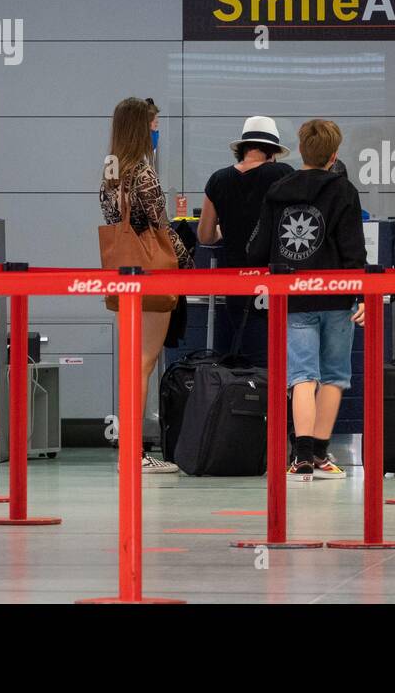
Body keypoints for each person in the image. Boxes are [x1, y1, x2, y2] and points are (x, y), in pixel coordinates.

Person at [246, 119, 366, 482]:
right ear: (334, 154)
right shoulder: (344, 190)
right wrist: (359, 293)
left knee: (301, 377)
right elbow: (353, 250)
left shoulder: (278, 189)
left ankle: (298, 457)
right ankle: (319, 455)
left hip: (293, 298)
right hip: (336, 295)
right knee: (334, 376)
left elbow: (256, 249)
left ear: (301, 150)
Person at [100, 97, 193, 474]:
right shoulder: (144, 172)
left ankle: (129, 450)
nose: (157, 129)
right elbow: (161, 226)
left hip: (122, 273)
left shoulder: (110, 169)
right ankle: (135, 453)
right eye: (154, 124)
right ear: (141, 127)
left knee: (131, 363)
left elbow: (111, 216)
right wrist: (188, 259)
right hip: (151, 273)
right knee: (144, 363)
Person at [197, 117, 293, 364]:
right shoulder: (283, 174)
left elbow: (205, 236)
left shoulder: (218, 179)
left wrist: (226, 230)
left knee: (248, 355)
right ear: (272, 151)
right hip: (275, 276)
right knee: (281, 356)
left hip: (235, 280)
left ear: (242, 147)